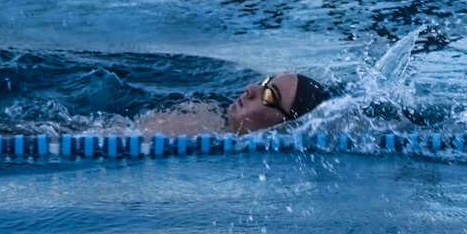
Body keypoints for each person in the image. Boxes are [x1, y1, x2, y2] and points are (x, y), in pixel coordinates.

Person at [134, 71, 333, 135]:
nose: (250, 89)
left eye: (269, 95)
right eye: (264, 83)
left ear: (287, 125)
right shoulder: (203, 116)